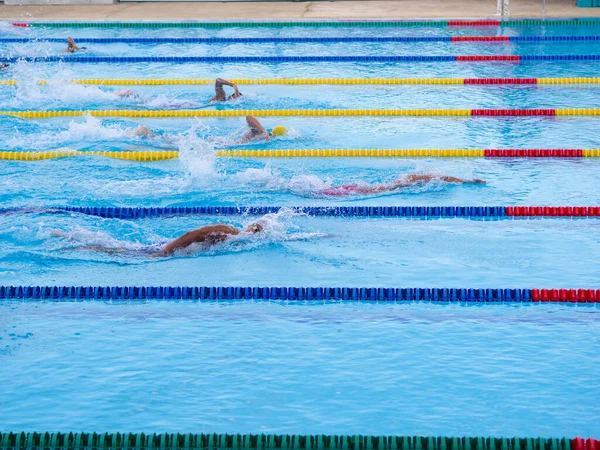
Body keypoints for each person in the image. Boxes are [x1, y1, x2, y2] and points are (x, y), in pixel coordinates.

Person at [51, 222, 264, 257]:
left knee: (120, 248)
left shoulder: (234, 237)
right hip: (165, 250)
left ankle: (68, 236)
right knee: (121, 252)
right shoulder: (228, 231)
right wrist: (165, 252)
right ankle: (73, 245)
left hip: (165, 248)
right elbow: (192, 234)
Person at [321, 174, 486, 197]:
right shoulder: (406, 182)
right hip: (357, 191)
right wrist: (466, 181)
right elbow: (441, 178)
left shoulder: (402, 182)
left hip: (355, 188)